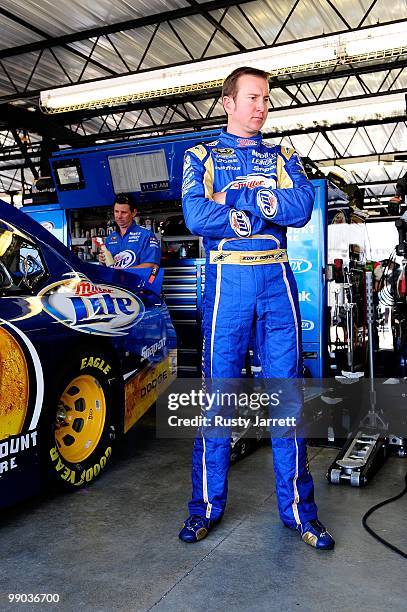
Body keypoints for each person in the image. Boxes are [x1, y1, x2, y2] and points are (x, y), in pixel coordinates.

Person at [178, 66, 334, 550]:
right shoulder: (200, 154)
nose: (262, 106)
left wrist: (237, 198)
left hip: (277, 281)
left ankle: (299, 513)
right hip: (228, 283)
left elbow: (301, 208)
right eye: (252, 98)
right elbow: (197, 215)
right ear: (228, 102)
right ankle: (204, 508)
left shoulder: (284, 152)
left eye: (266, 98)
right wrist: (266, 200)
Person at [99, 194, 160, 270]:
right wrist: (102, 262)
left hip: (137, 281)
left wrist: (124, 271)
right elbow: (107, 268)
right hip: (114, 281)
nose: (119, 216)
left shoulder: (146, 235)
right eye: (116, 211)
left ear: (133, 213)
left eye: (123, 212)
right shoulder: (110, 238)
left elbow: (152, 266)